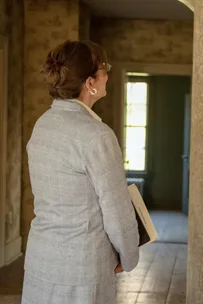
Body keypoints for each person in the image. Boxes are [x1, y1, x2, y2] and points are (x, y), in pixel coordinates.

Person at [21, 40, 139, 304]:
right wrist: (129, 257)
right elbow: (117, 212)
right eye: (103, 69)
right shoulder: (97, 135)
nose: (108, 75)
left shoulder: (43, 125)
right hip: (83, 269)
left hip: (41, 260)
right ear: (89, 83)